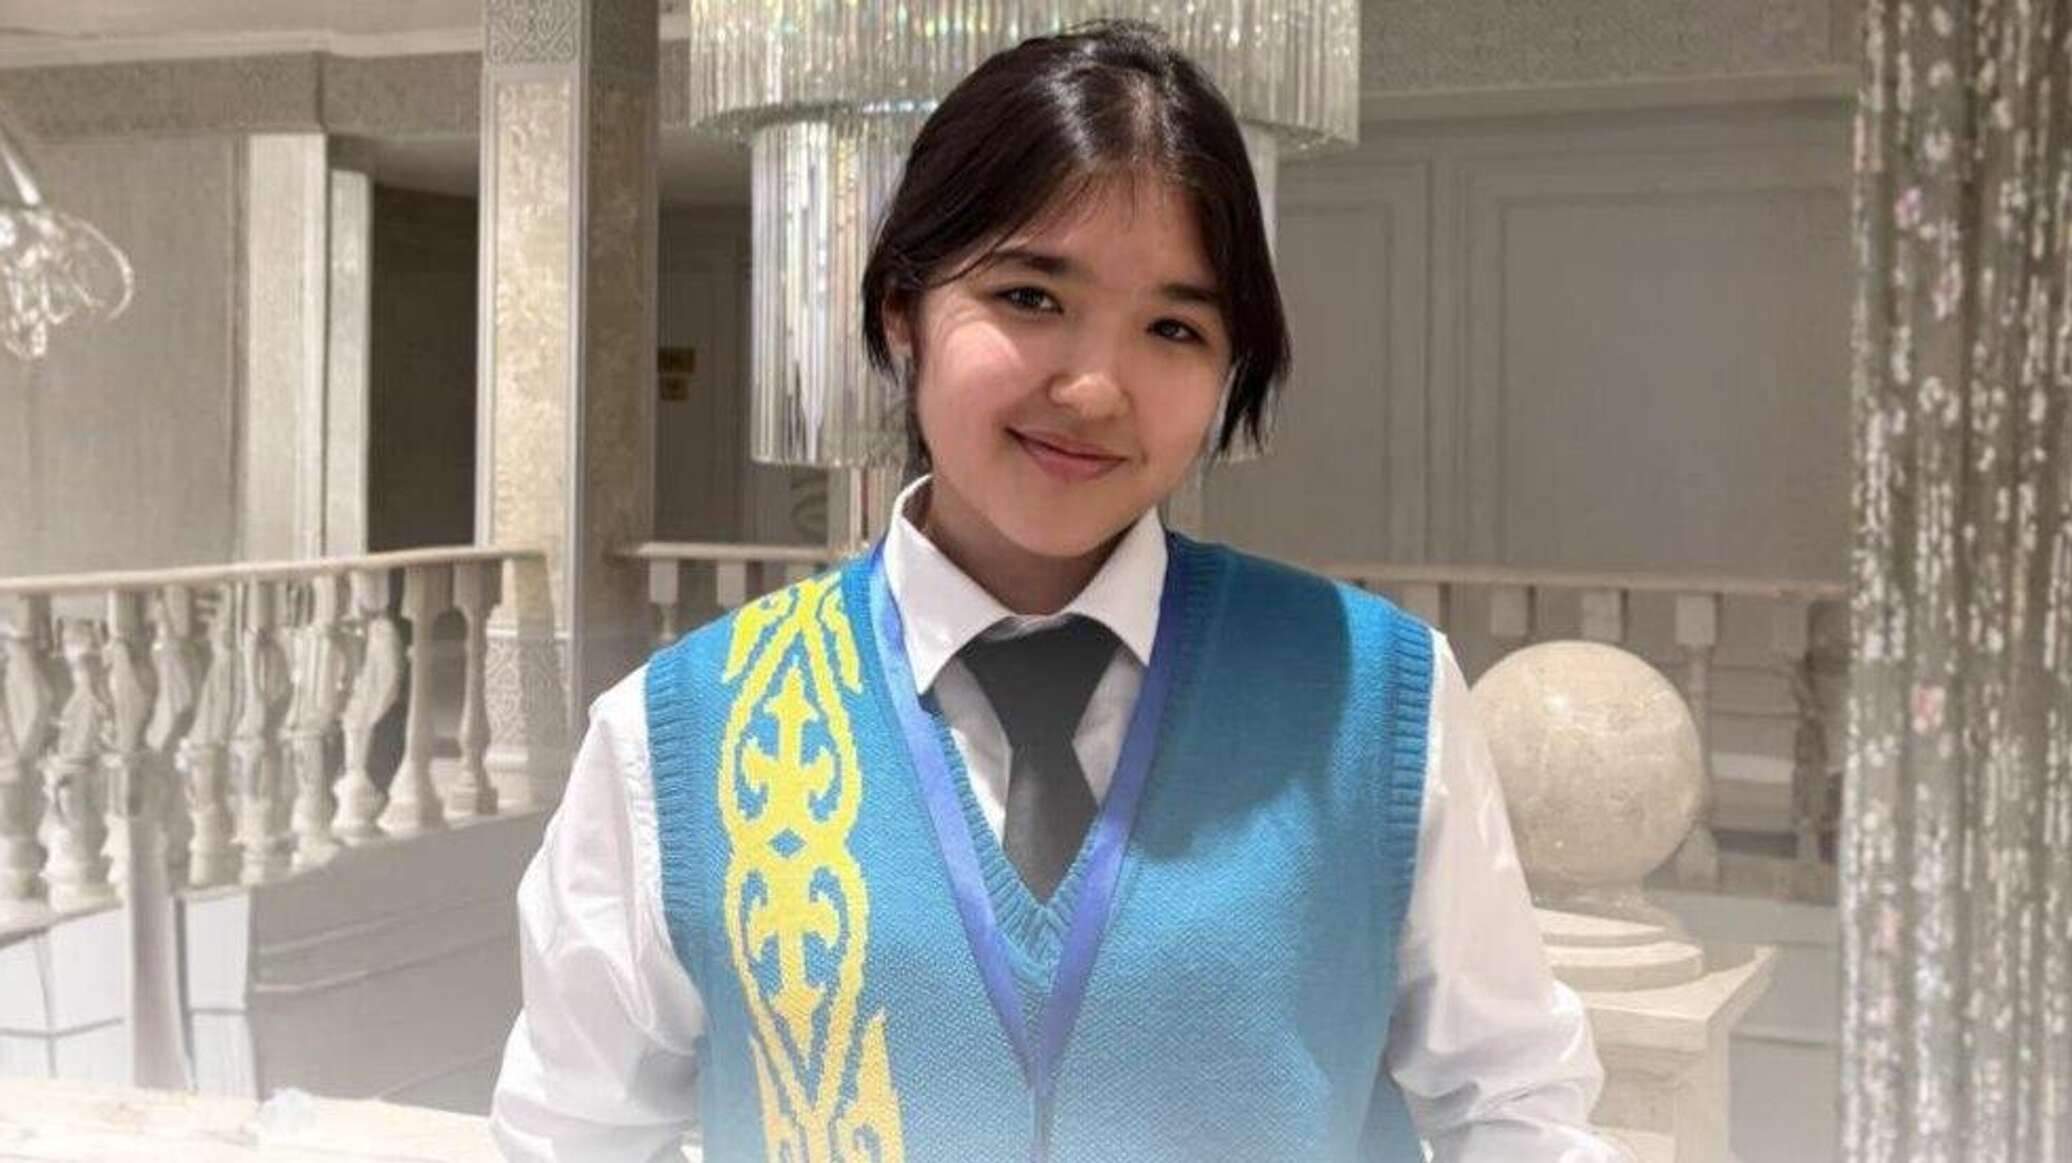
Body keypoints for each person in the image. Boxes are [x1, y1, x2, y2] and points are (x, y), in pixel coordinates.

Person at [491, 20, 1626, 1163]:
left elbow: (1514, 1108)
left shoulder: (1372, 698)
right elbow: (572, 1138)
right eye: (1031, 296)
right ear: (900, 309)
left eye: (1172, 327)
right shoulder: (680, 735)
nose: (1092, 389)